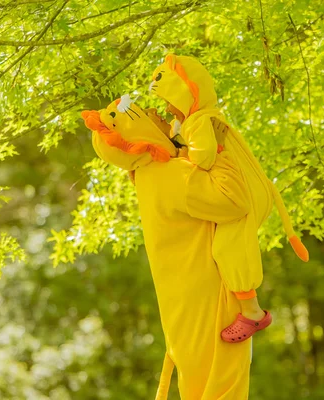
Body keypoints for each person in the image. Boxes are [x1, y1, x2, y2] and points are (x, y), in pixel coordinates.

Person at [82, 95, 252, 399]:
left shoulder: (151, 174)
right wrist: (220, 148)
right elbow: (235, 201)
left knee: (201, 388)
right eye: (147, 115)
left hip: (186, 310)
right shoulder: (171, 176)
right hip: (209, 305)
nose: (157, 113)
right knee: (222, 388)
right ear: (141, 132)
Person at [148, 54, 309, 343]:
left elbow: (205, 157)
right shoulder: (188, 123)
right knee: (225, 245)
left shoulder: (199, 121)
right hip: (243, 190)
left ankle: (253, 313)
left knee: (227, 249)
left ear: (185, 95)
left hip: (241, 194)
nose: (166, 108)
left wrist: (186, 148)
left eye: (169, 100)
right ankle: (245, 305)